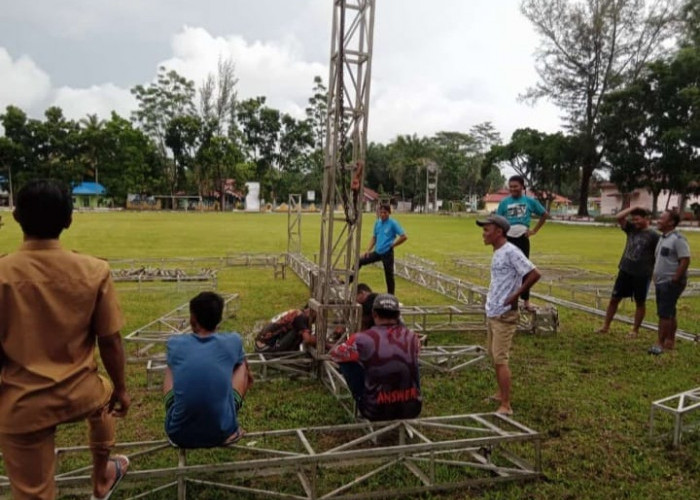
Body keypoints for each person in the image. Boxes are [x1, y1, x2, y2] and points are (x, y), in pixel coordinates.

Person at [0, 179, 130, 500]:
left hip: (21, 404)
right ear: (69, 220)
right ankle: (102, 476)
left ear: (16, 217)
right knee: (107, 397)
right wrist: (123, 389)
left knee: (33, 493)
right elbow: (110, 341)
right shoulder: (94, 270)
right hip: (81, 393)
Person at [163, 291, 253, 448]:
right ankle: (230, 418)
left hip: (178, 434)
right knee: (242, 365)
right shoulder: (233, 341)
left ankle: (173, 407)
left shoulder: (174, 344)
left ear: (193, 318)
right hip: (222, 432)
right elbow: (244, 369)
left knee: (171, 365)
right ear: (219, 319)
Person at [477, 215, 541, 416]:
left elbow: (534, 273)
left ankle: (506, 405)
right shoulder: (498, 252)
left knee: (501, 358)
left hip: (505, 314)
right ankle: (499, 393)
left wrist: (516, 294)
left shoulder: (512, 251)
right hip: (493, 311)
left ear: (499, 232)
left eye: (487, 230)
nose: (484, 233)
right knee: (494, 356)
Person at [330, 294, 421, 421]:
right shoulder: (412, 337)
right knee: (409, 358)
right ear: (398, 315)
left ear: (374, 314)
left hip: (375, 411)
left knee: (348, 362)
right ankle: (414, 394)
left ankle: (362, 398)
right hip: (412, 409)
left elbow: (335, 355)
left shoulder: (361, 339)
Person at [596, 206, 660, 337]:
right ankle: (605, 326)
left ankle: (635, 330)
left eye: (637, 219)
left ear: (646, 219)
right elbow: (619, 217)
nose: (635, 222)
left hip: (642, 273)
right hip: (625, 269)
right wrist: (633, 208)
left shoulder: (654, 236)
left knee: (640, 302)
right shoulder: (631, 229)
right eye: (633, 220)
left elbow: (658, 255)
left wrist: (654, 272)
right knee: (614, 299)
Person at [496, 175, 548, 311]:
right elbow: (498, 221)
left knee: (525, 270)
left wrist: (534, 231)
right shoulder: (504, 203)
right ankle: (506, 300)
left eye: (516, 186)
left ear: (522, 187)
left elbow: (544, 214)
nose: (513, 189)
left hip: (522, 238)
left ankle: (526, 302)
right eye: (510, 186)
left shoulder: (529, 201)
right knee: (507, 269)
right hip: (508, 239)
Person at [648, 211, 691, 355]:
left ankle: (659, 343)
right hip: (661, 281)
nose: (658, 220)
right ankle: (670, 340)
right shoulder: (663, 238)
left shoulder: (678, 239)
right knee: (670, 311)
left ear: (671, 222)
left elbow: (685, 259)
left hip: (670, 282)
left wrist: (675, 278)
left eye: (662, 218)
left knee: (664, 313)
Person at [358, 204, 407, 295]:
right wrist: (368, 250)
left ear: (389, 213)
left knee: (389, 275)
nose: (383, 214)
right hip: (377, 252)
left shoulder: (393, 223)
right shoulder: (377, 223)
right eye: (381, 212)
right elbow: (374, 237)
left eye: (385, 213)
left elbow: (403, 236)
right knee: (359, 261)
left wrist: (393, 244)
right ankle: (349, 281)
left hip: (387, 252)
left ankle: (391, 296)